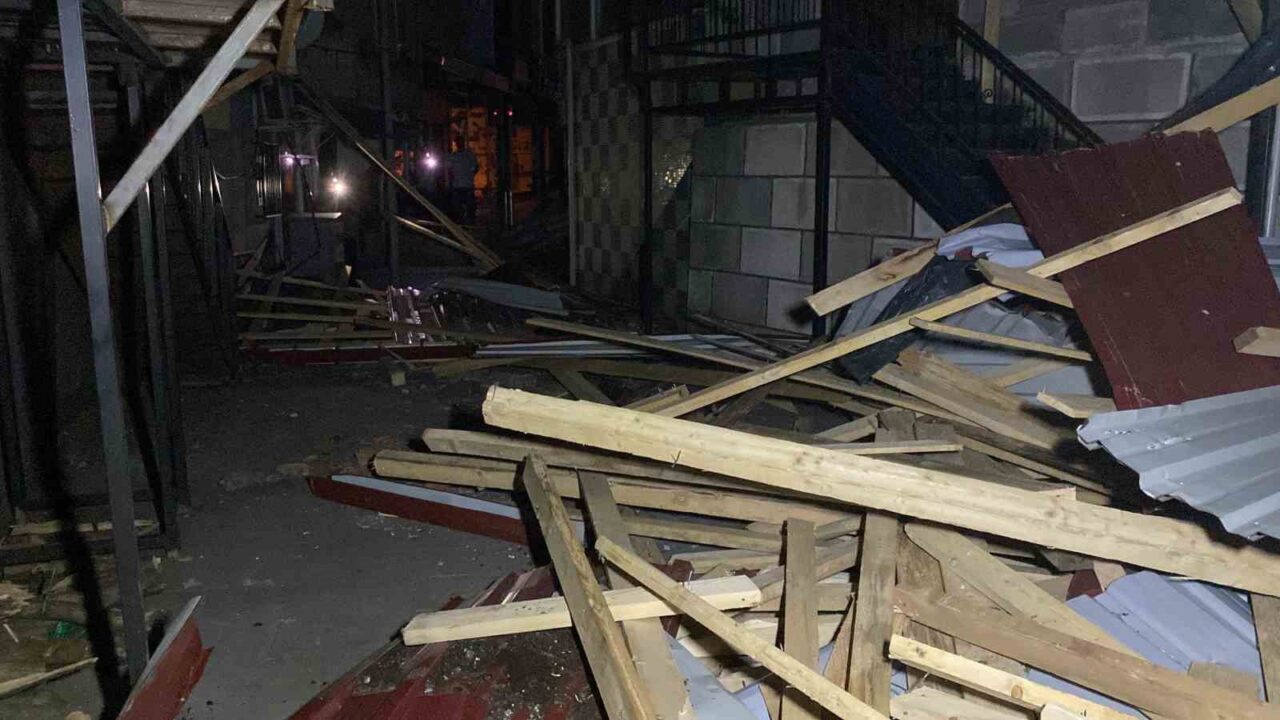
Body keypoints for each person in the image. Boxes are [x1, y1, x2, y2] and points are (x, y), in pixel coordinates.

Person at [445, 138, 479, 225]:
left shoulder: (456, 156)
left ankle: (465, 223)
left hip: (462, 186)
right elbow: (475, 168)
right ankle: (464, 223)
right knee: (463, 208)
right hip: (463, 185)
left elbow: (449, 171)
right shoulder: (467, 155)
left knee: (464, 208)